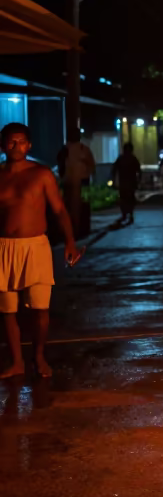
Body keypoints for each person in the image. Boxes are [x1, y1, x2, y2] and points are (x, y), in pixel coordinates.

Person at [0, 123, 81, 379]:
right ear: (3, 145)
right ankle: (17, 362)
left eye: (22, 141)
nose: (17, 146)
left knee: (40, 308)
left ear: (29, 145)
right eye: (11, 142)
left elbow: (59, 210)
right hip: (4, 247)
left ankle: (38, 357)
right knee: (7, 309)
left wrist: (70, 242)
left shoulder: (41, 174)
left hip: (35, 246)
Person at [56, 127, 96, 238]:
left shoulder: (79, 149)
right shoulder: (77, 149)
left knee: (76, 206)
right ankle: (74, 230)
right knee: (74, 206)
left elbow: (91, 165)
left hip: (77, 181)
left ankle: (76, 230)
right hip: (73, 181)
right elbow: (91, 165)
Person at [111, 141, 142, 225]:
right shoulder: (133, 158)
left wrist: (113, 180)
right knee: (130, 199)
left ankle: (124, 214)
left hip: (123, 183)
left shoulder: (121, 158)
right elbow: (139, 171)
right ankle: (130, 214)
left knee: (123, 199)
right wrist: (139, 181)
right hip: (131, 183)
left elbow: (114, 170)